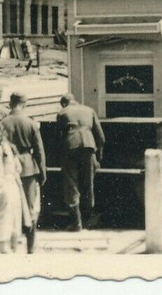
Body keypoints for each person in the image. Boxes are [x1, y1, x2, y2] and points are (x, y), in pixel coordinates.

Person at [0, 92, 47, 253]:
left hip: (8, 166)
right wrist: (42, 171)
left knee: (9, 207)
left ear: (10, 103)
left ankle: (11, 245)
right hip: (27, 167)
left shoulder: (2, 123)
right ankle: (30, 246)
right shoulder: (30, 123)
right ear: (24, 104)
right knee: (30, 207)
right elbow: (39, 149)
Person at [56, 92, 105, 230]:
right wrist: (98, 157)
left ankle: (76, 223)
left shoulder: (62, 112)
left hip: (70, 147)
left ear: (64, 103)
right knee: (88, 184)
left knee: (71, 184)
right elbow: (101, 137)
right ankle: (88, 221)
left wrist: (60, 156)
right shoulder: (89, 110)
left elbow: (57, 137)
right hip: (89, 147)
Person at [0, 120, 32, 253]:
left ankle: (8, 257)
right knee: (12, 227)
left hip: (2, 191)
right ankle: (13, 255)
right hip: (14, 190)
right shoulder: (9, 147)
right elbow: (18, 168)